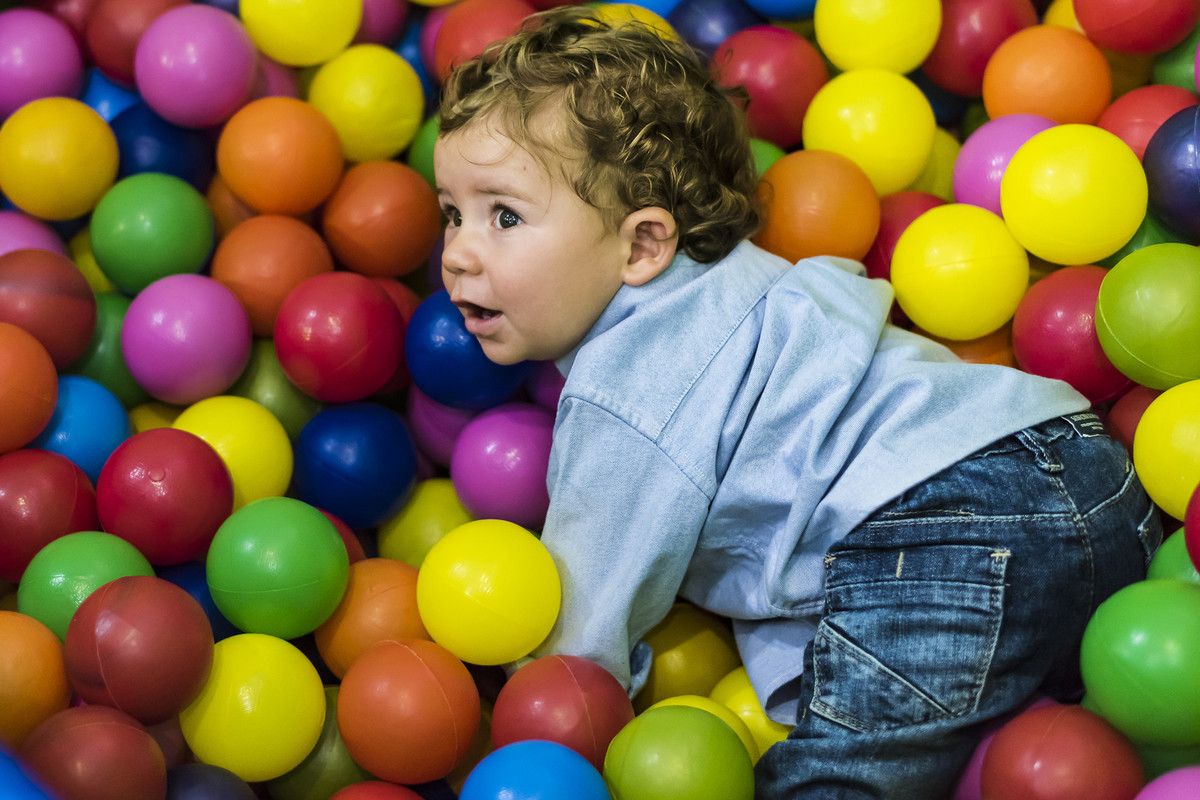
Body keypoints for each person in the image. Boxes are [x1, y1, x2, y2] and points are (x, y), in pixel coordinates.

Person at [432, 6, 1161, 797]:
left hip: (949, 519)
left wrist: (496, 730)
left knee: (835, 779)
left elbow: (582, 633)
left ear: (642, 244)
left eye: (504, 216)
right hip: (1093, 476)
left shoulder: (629, 382)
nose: (458, 253)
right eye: (451, 213)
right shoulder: (750, 283)